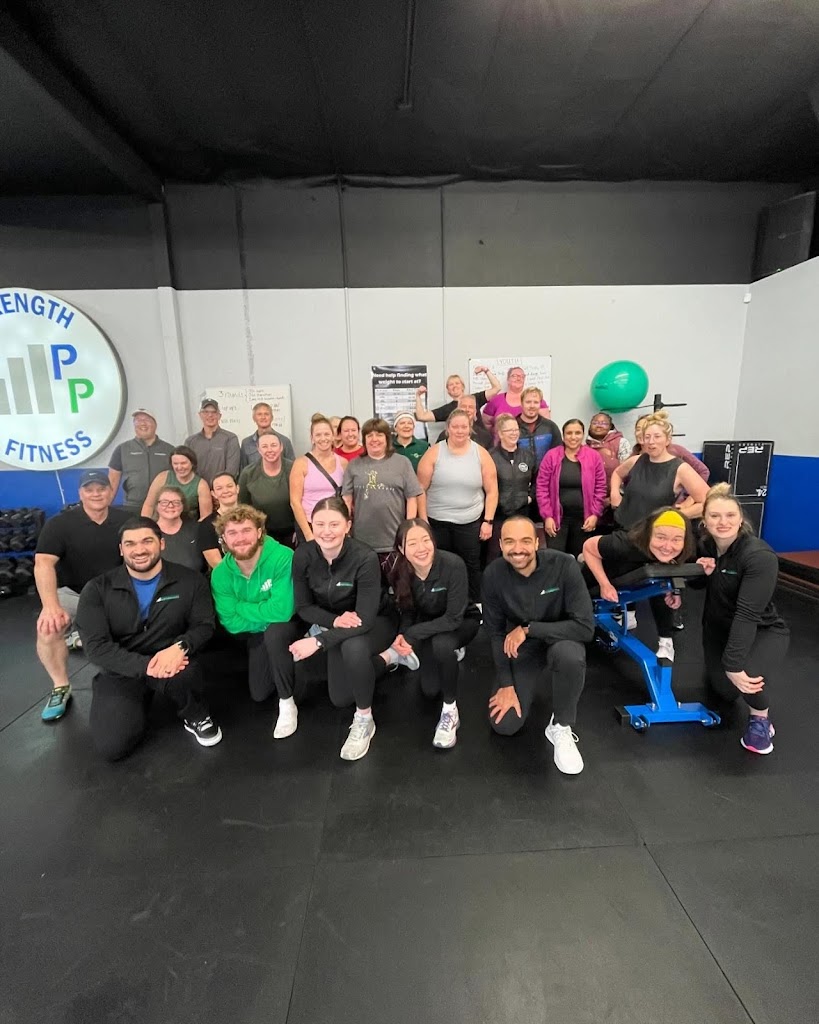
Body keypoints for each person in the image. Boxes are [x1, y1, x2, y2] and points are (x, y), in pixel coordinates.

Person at [74, 517, 220, 758]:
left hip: (173, 661)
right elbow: (96, 647)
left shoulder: (191, 580)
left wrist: (181, 646)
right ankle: (136, 701)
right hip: (123, 668)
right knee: (113, 747)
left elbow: (204, 625)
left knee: (188, 673)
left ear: (161, 543)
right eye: (130, 544)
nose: (139, 550)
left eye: (147, 541)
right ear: (121, 549)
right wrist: (148, 666)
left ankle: (195, 713)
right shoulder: (97, 589)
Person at [482, 516, 594, 774]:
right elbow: (496, 634)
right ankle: (524, 683)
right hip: (522, 646)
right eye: (509, 542)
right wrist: (506, 684)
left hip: (561, 638)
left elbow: (585, 627)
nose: (517, 549)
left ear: (536, 542)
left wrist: (529, 629)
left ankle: (561, 726)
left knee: (570, 656)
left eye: (525, 541)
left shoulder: (564, 565)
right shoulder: (493, 575)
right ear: (501, 544)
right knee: (504, 724)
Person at [289, 498, 398, 760]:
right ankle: (390, 658)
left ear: (347, 526)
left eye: (334, 524)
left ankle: (364, 719)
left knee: (353, 647)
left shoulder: (364, 557)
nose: (326, 531)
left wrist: (318, 641)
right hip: (338, 623)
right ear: (311, 525)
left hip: (377, 620)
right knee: (340, 697)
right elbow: (304, 607)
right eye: (320, 524)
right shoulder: (303, 555)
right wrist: (334, 621)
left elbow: (365, 619)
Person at [696, 484, 789, 755]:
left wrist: (734, 664)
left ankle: (760, 719)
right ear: (704, 521)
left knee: (745, 676)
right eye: (714, 516)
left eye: (730, 515)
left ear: (740, 519)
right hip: (717, 628)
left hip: (763, 629)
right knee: (724, 691)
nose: (722, 522)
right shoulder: (706, 545)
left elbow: (747, 614)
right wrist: (697, 573)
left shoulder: (758, 556)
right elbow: (696, 585)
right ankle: (733, 670)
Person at [36, 471, 131, 722]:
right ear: (80, 493)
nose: (96, 494)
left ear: (110, 491)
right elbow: (43, 563)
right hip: (73, 594)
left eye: (101, 488)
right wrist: (50, 606)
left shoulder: (127, 520)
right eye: (89, 489)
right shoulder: (59, 525)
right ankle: (60, 686)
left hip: (115, 594)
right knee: (48, 628)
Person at [210, 505, 302, 739]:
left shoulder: (282, 557)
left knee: (276, 632)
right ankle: (285, 657)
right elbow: (230, 623)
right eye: (232, 533)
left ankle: (287, 703)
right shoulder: (220, 574)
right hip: (256, 631)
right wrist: (263, 617)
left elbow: (282, 611)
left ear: (259, 532)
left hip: (290, 624)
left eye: (246, 530)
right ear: (224, 538)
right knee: (259, 693)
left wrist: (241, 607)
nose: (240, 538)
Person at [388, 519, 481, 748]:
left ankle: (450, 710)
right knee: (429, 691)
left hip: (462, 621)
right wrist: (402, 634)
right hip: (429, 624)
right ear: (401, 548)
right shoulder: (399, 570)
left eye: (425, 540)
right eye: (412, 543)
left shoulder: (453, 565)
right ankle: (444, 652)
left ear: (433, 541)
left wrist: (413, 634)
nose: (421, 548)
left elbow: (453, 618)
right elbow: (408, 611)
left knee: (442, 644)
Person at [582, 508, 697, 660]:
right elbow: (588, 547)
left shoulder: (684, 551)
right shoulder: (625, 543)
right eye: (661, 537)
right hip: (598, 578)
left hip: (636, 575)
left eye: (676, 540)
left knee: (661, 583)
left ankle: (666, 641)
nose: (668, 546)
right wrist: (605, 584)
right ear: (649, 534)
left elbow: (678, 569)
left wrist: (675, 591)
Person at [417, 408, 499, 603]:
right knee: (438, 564)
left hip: (469, 522)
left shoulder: (481, 454)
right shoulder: (433, 453)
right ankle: (440, 603)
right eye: (455, 427)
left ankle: (474, 604)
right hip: (437, 522)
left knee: (471, 566)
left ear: (470, 428)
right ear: (448, 428)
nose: (460, 431)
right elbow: (420, 490)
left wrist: (488, 521)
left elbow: (492, 491)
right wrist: (423, 521)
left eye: (464, 427)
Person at [342, 418, 424, 568]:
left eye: (379, 435)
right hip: (362, 541)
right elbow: (346, 500)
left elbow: (412, 498)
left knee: (398, 582)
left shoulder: (402, 463)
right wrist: (345, 529)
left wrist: (408, 530)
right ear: (364, 439)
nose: (374, 439)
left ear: (387, 438)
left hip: (394, 541)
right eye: (369, 436)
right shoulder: (354, 465)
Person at [612, 411, 709, 530]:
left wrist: (677, 515)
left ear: (667, 440)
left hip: (654, 532)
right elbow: (617, 473)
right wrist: (615, 493)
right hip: (624, 528)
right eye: (647, 437)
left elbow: (708, 503)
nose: (651, 441)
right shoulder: (635, 461)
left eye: (657, 436)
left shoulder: (680, 469)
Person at [536, 419, 607, 558]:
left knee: (580, 559)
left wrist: (595, 514)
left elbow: (600, 488)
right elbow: (542, 488)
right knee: (555, 559)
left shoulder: (594, 457)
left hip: (584, 520)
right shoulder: (551, 456)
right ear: (563, 435)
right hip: (556, 520)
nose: (573, 437)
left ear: (583, 434)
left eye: (577, 433)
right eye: (569, 433)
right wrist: (547, 516)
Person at [290, 415, 346, 542]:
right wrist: (308, 534)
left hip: (334, 524)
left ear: (333, 436)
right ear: (312, 438)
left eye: (327, 434)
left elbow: (346, 497)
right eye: (318, 435)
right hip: (310, 524)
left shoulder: (343, 463)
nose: (323, 438)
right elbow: (295, 502)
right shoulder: (301, 464)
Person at [107, 409, 175, 512]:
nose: (143, 423)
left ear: (155, 424)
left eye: (147, 419)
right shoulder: (122, 449)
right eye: (138, 420)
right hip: (132, 507)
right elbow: (112, 481)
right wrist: (105, 508)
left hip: (162, 507)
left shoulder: (169, 450)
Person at [488, 413, 535, 559]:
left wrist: (529, 498)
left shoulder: (528, 455)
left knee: (520, 553)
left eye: (516, 429)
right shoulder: (490, 456)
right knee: (496, 554)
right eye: (509, 430)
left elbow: (538, 480)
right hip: (498, 515)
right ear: (500, 433)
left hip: (522, 512)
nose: (514, 433)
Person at [238, 431, 296, 547]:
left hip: (292, 533)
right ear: (259, 450)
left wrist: (299, 530)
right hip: (263, 534)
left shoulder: (294, 469)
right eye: (264, 446)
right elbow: (244, 508)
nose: (270, 450)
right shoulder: (248, 474)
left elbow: (303, 501)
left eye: (274, 445)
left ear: (281, 447)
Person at [142, 446, 212, 522]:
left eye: (183, 463)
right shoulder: (162, 477)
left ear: (192, 463)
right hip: (161, 523)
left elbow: (205, 516)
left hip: (188, 524)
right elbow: (148, 505)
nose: (179, 467)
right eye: (175, 463)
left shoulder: (201, 485)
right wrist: (145, 524)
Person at [631, 414, 710, 481]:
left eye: (644, 429)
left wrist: (687, 493)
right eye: (638, 429)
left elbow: (703, 471)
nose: (640, 433)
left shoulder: (677, 451)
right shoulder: (633, 457)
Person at [415, 365, 500, 423]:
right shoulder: (446, 409)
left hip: (480, 439)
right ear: (448, 390)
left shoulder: (475, 398)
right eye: (451, 385)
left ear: (463, 386)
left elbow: (497, 388)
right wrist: (418, 396)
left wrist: (486, 370)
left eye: (457, 383)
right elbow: (421, 416)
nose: (454, 386)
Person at [184, 399, 241, 485]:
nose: (210, 415)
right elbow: (187, 468)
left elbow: (232, 470)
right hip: (198, 489)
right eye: (206, 412)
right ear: (200, 415)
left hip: (222, 489)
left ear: (219, 416)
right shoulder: (190, 441)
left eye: (214, 412)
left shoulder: (230, 439)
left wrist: (219, 487)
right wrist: (201, 488)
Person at [482, 367, 550, 437]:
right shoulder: (496, 400)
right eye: (514, 376)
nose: (518, 378)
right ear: (508, 379)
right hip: (500, 442)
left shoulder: (535, 400)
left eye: (522, 376)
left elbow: (547, 426)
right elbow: (486, 424)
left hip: (528, 442)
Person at [154, 485, 204, 572]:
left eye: (176, 502)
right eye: (164, 502)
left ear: (183, 506)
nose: (170, 506)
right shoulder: (148, 532)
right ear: (156, 506)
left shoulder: (198, 529)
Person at [199, 472, 240, 569]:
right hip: (228, 575)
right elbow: (217, 564)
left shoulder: (253, 517)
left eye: (229, 486)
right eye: (219, 488)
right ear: (213, 494)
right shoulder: (207, 525)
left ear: (237, 488)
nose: (225, 491)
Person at [516, 386, 561, 473]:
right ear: (521, 403)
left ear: (540, 404)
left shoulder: (550, 427)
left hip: (545, 477)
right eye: (528, 402)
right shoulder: (512, 427)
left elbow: (558, 455)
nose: (532, 406)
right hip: (520, 477)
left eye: (536, 402)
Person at [239, 402, 295, 468]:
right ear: (254, 418)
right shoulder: (246, 443)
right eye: (259, 414)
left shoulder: (284, 441)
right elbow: (243, 469)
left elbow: (293, 468)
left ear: (272, 417)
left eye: (266, 414)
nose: (263, 417)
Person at [586, 412, 632, 480]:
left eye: (603, 423)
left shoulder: (621, 442)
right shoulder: (585, 447)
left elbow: (627, 470)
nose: (599, 426)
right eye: (595, 423)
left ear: (610, 426)